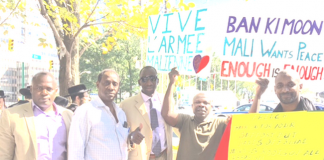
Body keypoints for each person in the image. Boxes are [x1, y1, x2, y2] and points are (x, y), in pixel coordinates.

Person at [68, 69, 144, 160]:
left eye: (115, 84)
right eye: (106, 83)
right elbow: (75, 150)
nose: (111, 87)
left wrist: (131, 138)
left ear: (118, 87)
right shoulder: (85, 111)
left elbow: (120, 143)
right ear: (98, 85)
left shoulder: (121, 113)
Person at [0, 72, 73, 160]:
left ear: (56, 91)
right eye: (39, 88)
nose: (44, 93)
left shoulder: (68, 115)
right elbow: (4, 154)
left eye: (49, 89)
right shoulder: (11, 115)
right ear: (31, 89)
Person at [161, 68, 229, 160]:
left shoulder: (220, 123)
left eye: (205, 103)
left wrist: (256, 96)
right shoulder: (185, 121)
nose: (201, 105)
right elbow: (167, 114)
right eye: (197, 102)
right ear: (192, 106)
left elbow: (247, 124)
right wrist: (172, 83)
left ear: (211, 107)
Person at [120, 66, 173, 160]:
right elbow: (119, 135)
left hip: (164, 156)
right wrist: (131, 137)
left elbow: (177, 125)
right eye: (144, 79)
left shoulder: (167, 100)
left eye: (152, 78)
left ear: (157, 81)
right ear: (139, 82)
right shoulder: (126, 105)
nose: (149, 83)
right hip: (140, 157)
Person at [249, 69, 316, 113]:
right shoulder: (272, 120)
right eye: (280, 86)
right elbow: (252, 125)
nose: (285, 90)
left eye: (290, 84)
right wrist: (258, 95)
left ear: (300, 87)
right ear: (275, 90)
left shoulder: (317, 116)